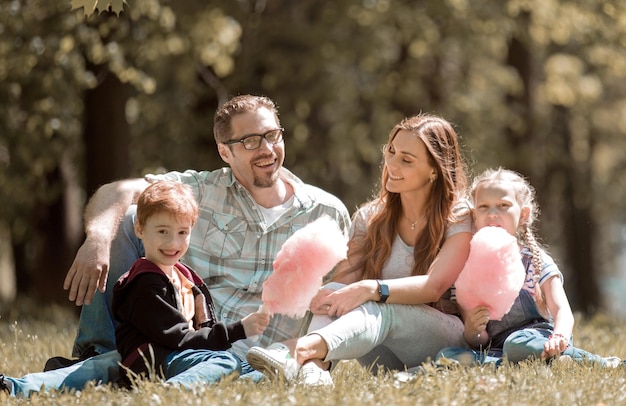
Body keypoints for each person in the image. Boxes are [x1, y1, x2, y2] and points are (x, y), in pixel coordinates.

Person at [1, 94, 350, 397]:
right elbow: (117, 192)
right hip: (178, 339)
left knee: (205, 367)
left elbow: (342, 293)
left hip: (252, 356)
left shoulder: (325, 214)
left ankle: (144, 387)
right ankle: (51, 371)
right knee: (129, 218)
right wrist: (95, 241)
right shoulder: (199, 190)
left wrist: (313, 354)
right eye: (251, 141)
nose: (267, 149)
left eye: (272, 135)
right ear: (224, 152)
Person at [247, 113, 473, 385]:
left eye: (407, 160)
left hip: (443, 343)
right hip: (382, 353)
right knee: (334, 294)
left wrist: (371, 288)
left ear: (434, 170)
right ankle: (316, 372)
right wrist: (323, 295)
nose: (392, 164)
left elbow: (434, 286)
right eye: (391, 151)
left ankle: (295, 351)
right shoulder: (371, 217)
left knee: (379, 303)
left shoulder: (458, 216)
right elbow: (346, 279)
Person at [0, 181, 271, 397]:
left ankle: (17, 386)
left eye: (182, 233)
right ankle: (166, 394)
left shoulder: (186, 278)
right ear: (140, 229)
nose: (172, 242)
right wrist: (239, 329)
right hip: (154, 358)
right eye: (162, 231)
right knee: (227, 363)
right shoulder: (145, 281)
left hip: (161, 356)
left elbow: (198, 330)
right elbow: (176, 338)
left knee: (254, 373)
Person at [435, 168, 622, 367]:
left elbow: (562, 310)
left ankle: (599, 362)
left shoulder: (535, 259)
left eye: (503, 205)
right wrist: (473, 331)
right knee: (446, 355)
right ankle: (523, 365)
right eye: (483, 207)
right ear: (474, 215)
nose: (492, 214)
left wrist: (559, 337)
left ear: (523, 214)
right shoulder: (467, 268)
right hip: (495, 348)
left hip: (538, 338)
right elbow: (479, 339)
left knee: (517, 345)